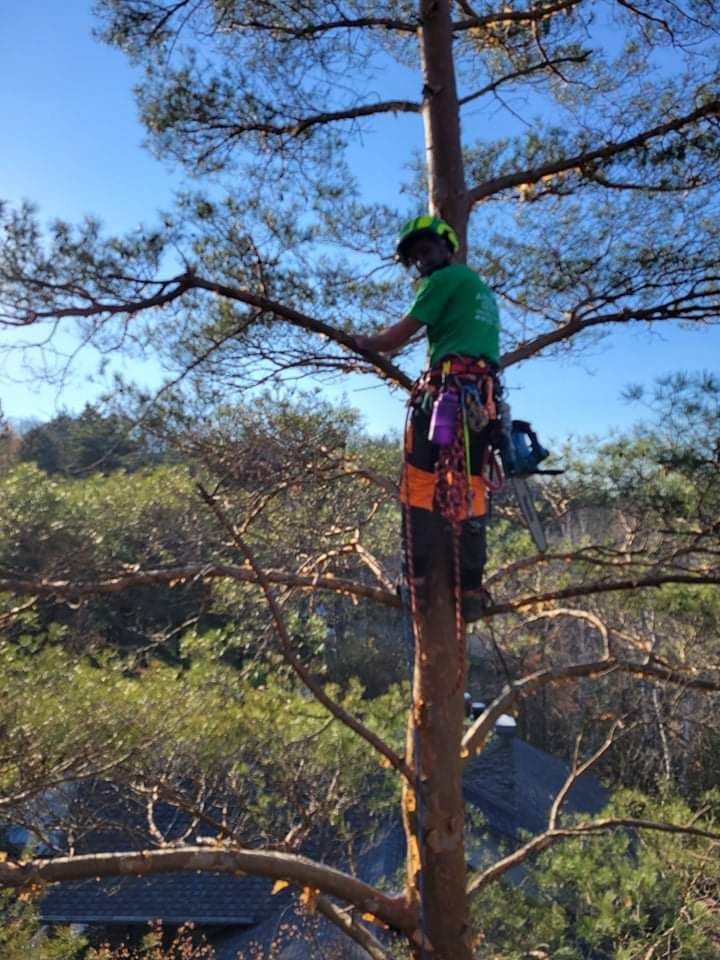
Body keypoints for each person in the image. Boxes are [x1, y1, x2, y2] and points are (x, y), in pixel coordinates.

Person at [353, 215, 500, 621]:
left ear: (447, 247)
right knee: (471, 488)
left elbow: (397, 337)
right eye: (415, 256)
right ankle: (469, 588)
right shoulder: (479, 288)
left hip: (449, 394)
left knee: (419, 485)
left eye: (427, 249)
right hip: (481, 401)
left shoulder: (445, 280)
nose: (421, 260)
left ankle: (416, 582)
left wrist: (364, 343)